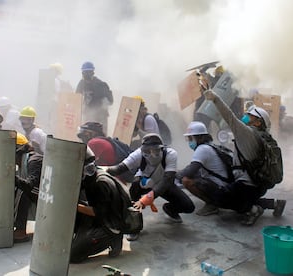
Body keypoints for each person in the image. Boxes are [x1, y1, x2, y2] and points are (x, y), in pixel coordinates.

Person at [203, 89, 286, 225]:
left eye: (249, 115)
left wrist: (215, 98)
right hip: (260, 184)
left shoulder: (248, 133)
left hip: (247, 185)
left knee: (219, 197)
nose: (245, 116)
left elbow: (230, 117)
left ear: (258, 122)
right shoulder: (264, 136)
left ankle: (253, 209)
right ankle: (273, 204)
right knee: (241, 197)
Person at [106, 133, 195, 241]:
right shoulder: (138, 154)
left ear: (161, 149)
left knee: (188, 206)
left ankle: (170, 209)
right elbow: (120, 168)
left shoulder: (171, 154)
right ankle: (134, 227)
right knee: (134, 189)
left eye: (155, 151)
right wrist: (104, 170)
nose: (150, 154)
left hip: (164, 184)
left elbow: (168, 179)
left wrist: (144, 200)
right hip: (145, 183)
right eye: (147, 151)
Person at [70, 147, 124, 263]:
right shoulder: (89, 177)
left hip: (109, 225)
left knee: (73, 256)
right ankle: (83, 238)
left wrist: (73, 206)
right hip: (98, 217)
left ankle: (113, 239)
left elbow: (98, 212)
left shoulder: (101, 183)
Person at [177, 121, 231, 216]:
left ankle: (212, 205)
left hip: (222, 189)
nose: (189, 141)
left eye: (191, 138)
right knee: (188, 174)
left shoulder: (202, 149)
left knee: (186, 180)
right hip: (224, 184)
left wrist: (177, 174)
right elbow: (194, 167)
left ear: (200, 137)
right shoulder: (209, 146)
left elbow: (190, 171)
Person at [14, 133, 43, 243]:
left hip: (51, 197)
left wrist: (11, 177)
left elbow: (30, 186)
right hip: (41, 193)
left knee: (23, 191)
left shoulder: (33, 161)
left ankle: (20, 231)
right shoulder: (26, 161)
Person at [75, 61, 113, 134]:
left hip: (100, 116)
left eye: (88, 72)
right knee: (86, 136)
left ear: (92, 72)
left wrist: (102, 105)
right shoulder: (82, 83)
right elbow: (76, 98)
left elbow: (110, 101)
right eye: (84, 73)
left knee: (101, 136)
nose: (85, 75)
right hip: (87, 115)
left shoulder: (101, 84)